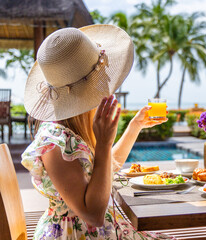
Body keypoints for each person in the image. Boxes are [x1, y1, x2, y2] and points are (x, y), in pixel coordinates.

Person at [21, 25, 175, 239]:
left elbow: (105, 170)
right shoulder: (54, 143)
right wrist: (103, 143)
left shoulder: (74, 130)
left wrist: (134, 127)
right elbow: (93, 215)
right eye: (102, 74)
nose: (106, 80)